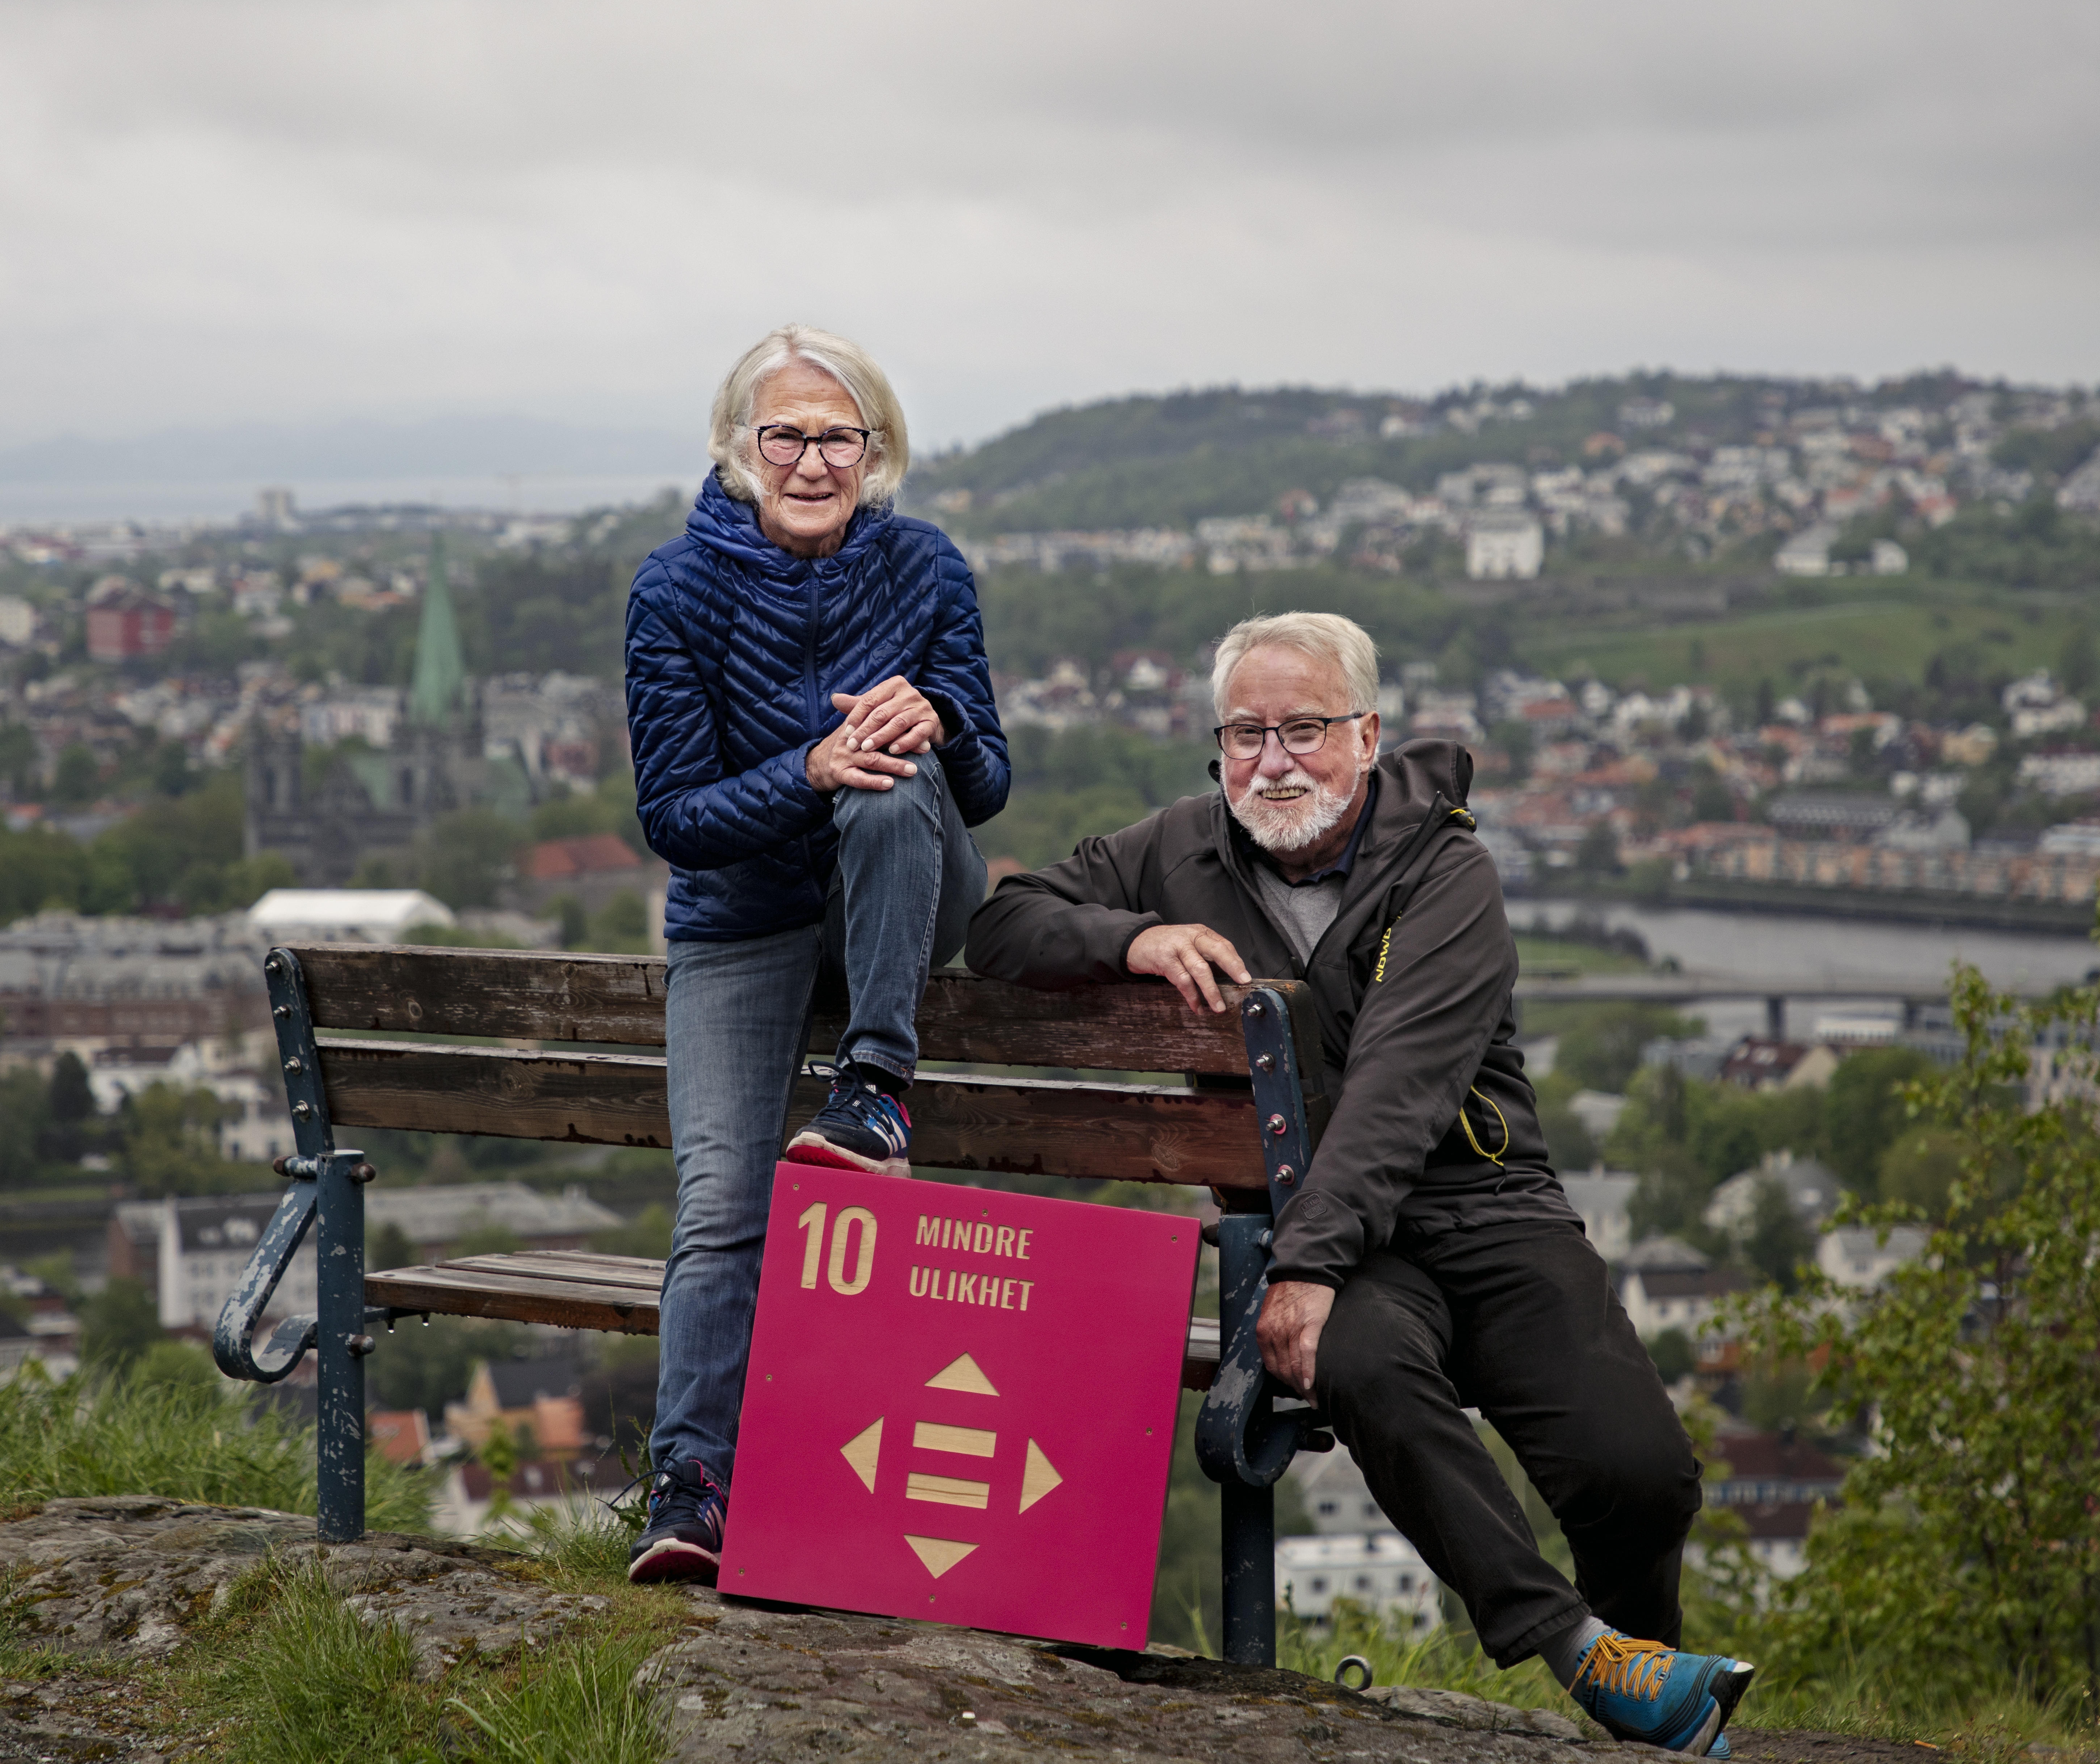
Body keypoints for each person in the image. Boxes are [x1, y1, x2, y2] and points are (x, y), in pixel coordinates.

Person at [964, 612, 1752, 1756]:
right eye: (1245, 733)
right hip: (1333, 1240)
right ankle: (1586, 1655)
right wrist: (1131, 936)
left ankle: (1646, 1686)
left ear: (1369, 734)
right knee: (1362, 1360)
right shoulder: (1176, 851)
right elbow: (999, 925)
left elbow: (1395, 1091)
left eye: (1304, 728)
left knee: (1638, 1471)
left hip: (1481, 1212)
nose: (1272, 758)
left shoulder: (1448, 873)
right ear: (1216, 747)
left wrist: (1306, 1267)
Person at [621, 324, 1008, 1584]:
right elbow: (674, 818)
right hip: (743, 924)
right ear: (738, 448)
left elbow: (988, 786)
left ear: (876, 451)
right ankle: (689, 1489)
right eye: (783, 433)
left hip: (903, 901)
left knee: (897, 782)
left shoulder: (930, 567)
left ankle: (873, 1091)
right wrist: (808, 769)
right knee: (721, 1208)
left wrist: (934, 719)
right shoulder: (672, 590)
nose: (809, 458)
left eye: (838, 435)